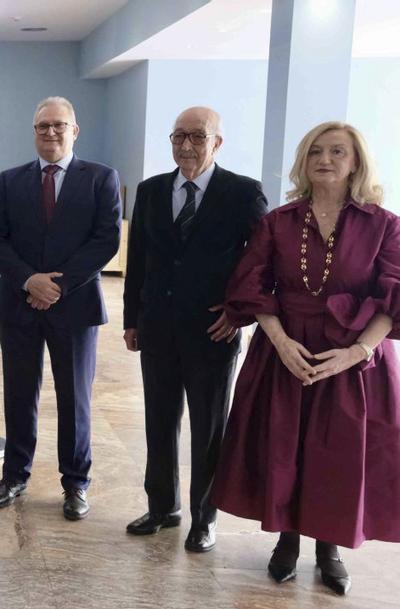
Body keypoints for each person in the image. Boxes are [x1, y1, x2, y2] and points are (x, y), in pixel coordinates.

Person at [212, 121, 400, 596]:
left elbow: (393, 296)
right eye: (316, 150)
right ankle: (287, 542)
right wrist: (278, 340)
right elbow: (253, 285)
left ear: (355, 161)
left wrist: (357, 352)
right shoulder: (278, 221)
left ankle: (329, 548)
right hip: (286, 349)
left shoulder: (384, 224)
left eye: (338, 151)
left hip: (353, 358)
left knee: (338, 454)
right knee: (284, 446)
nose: (326, 159)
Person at [121, 107, 267, 552]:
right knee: (159, 423)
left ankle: (205, 518)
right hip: (158, 330)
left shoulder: (243, 193)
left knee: (208, 430)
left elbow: (262, 261)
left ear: (217, 142)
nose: (186, 145)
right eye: (178, 136)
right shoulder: (150, 192)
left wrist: (239, 312)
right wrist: (132, 319)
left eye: (197, 137)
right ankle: (163, 507)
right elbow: (139, 260)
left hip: (213, 332)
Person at [0, 96, 120, 521]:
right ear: (34, 131)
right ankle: (14, 474)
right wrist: (29, 280)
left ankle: (76, 483)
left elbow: (106, 239)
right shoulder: (10, 179)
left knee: (74, 397)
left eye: (59, 125)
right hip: (19, 304)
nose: (51, 132)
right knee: (19, 394)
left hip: (74, 306)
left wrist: (56, 286)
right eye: (43, 126)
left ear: (74, 130)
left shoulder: (101, 178)